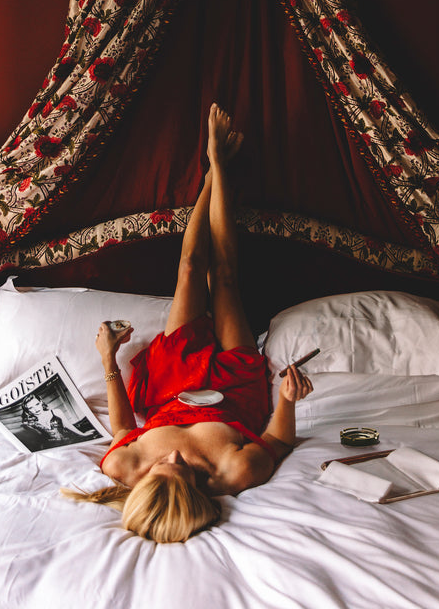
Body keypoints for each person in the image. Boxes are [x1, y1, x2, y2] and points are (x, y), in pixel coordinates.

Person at [62, 103, 313, 542]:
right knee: (227, 279)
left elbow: (123, 429)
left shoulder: (123, 466)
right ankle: (220, 168)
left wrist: (109, 358)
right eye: (186, 475)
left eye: (164, 469)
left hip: (171, 380)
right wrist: (288, 400)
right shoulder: (235, 472)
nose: (175, 459)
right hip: (234, 391)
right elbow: (279, 440)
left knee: (191, 268)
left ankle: (212, 171)